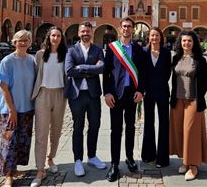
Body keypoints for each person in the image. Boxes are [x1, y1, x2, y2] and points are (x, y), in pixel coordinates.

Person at [103, 17, 145, 182]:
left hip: (132, 94)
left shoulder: (138, 49)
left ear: (133, 30)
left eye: (129, 26)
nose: (127, 29)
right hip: (116, 95)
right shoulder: (112, 48)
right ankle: (114, 164)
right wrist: (106, 92)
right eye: (124, 26)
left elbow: (142, 73)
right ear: (119, 29)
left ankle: (129, 157)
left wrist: (141, 90)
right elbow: (106, 73)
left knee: (131, 128)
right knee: (116, 129)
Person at [0, 30, 35, 187]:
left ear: (30, 42)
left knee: (22, 141)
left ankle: (14, 169)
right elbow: (3, 87)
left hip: (27, 108)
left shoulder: (31, 61)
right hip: (10, 109)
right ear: (14, 42)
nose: (23, 43)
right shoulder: (7, 61)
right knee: (9, 142)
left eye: (26, 40)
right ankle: (8, 175)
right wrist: (12, 110)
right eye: (20, 40)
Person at [65, 21, 106, 177]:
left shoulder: (97, 49)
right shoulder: (71, 50)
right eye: (83, 31)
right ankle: (77, 160)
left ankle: (92, 156)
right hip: (76, 95)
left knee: (95, 125)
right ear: (79, 33)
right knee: (78, 127)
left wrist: (81, 67)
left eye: (88, 31)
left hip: (93, 94)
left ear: (92, 33)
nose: (85, 34)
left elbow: (102, 68)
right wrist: (91, 69)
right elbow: (69, 70)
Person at [169, 30, 207, 181]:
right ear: (180, 42)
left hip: (193, 100)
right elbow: (173, 78)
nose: (186, 43)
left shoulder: (200, 60)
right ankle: (185, 161)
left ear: (194, 43)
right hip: (177, 99)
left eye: (189, 41)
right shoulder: (176, 58)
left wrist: (199, 98)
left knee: (190, 131)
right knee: (179, 131)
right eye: (184, 41)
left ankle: (193, 165)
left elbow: (205, 81)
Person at [30, 27, 68, 187]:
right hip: (43, 94)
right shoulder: (39, 55)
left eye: (58, 35)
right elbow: (35, 75)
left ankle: (50, 158)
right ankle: (40, 170)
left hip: (60, 94)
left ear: (61, 38)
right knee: (41, 132)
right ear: (49, 37)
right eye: (53, 35)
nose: (55, 38)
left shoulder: (66, 55)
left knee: (56, 131)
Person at [141, 27, 171, 168]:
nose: (154, 38)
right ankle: (148, 154)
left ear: (161, 37)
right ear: (148, 37)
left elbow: (167, 73)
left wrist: (159, 84)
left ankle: (162, 158)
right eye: (152, 35)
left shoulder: (166, 52)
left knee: (164, 123)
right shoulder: (143, 52)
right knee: (148, 123)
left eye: (157, 35)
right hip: (148, 93)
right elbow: (141, 73)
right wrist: (143, 89)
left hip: (163, 92)